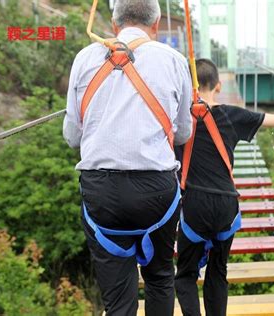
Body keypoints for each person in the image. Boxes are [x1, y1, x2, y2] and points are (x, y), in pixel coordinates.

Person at [63, 0, 192, 315]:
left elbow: (72, 137)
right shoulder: (174, 61)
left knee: (117, 302)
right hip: (157, 194)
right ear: (157, 24)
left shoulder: (84, 59)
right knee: (160, 279)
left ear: (113, 22)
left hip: (102, 195)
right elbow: (185, 134)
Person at [174, 58, 274, 316]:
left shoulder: (177, 118)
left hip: (195, 206)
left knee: (185, 276)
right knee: (218, 273)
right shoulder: (232, 115)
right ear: (218, 87)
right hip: (227, 206)